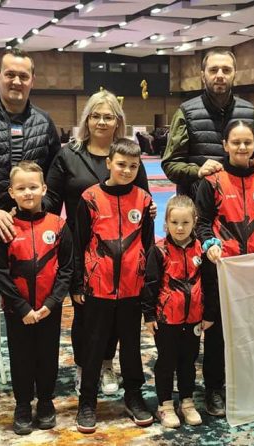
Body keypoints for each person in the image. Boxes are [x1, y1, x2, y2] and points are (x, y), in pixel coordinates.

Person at [43, 90, 151, 397]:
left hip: (122, 252)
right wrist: (27, 213)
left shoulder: (128, 157)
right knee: (84, 314)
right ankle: (83, 367)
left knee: (116, 316)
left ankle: (106, 364)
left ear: (118, 122)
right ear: (86, 119)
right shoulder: (68, 155)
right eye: (96, 116)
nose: (101, 122)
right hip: (80, 246)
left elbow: (143, 198)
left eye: (108, 117)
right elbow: (51, 200)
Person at [73, 138, 155, 434]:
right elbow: (79, 242)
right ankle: (87, 402)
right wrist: (77, 284)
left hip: (132, 289)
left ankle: (133, 396)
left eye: (133, 166)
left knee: (131, 347)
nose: (127, 170)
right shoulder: (89, 198)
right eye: (121, 164)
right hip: (98, 289)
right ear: (108, 163)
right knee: (94, 347)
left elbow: (148, 245)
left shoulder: (144, 200)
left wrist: (148, 285)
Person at [194, 120, 254, 417]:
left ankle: (246, 383)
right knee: (217, 332)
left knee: (252, 329)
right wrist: (209, 244)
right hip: (222, 269)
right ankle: (214, 388)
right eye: (236, 142)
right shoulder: (212, 181)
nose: (242, 147)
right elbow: (202, 223)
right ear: (225, 145)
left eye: (247, 142)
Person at [0, 161, 72, 435]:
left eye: (33, 187)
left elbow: (67, 269)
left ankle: (46, 401)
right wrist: (21, 307)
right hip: (18, 311)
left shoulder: (58, 225)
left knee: (48, 356)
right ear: (11, 192)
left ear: (44, 189)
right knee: (21, 357)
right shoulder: (5, 228)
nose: (28, 193)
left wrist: (52, 303)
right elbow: (0, 272)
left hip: (49, 309)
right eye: (21, 188)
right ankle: (23, 405)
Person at [0, 47, 61, 247]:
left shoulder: (44, 121)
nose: (16, 81)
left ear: (32, 80)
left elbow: (55, 177)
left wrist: (36, 211)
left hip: (32, 231)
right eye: (10, 74)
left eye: (23, 76)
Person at [161, 48, 254, 198]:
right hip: (198, 203)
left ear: (234, 74)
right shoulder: (185, 112)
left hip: (240, 203)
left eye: (226, 70)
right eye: (213, 70)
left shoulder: (250, 113)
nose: (220, 75)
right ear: (203, 75)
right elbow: (170, 165)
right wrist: (198, 171)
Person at [142, 195, 205, 429]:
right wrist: (149, 315)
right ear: (166, 223)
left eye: (185, 223)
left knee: (189, 361)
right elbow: (150, 285)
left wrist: (208, 314)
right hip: (166, 320)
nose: (180, 228)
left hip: (194, 318)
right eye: (174, 222)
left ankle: (186, 401)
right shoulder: (159, 251)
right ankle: (165, 404)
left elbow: (209, 283)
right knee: (167, 362)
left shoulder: (202, 249)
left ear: (194, 222)